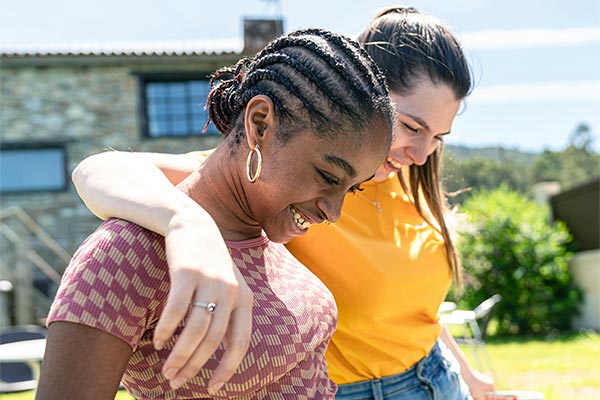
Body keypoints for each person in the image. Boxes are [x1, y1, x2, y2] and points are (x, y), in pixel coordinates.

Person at [71, 6, 496, 400]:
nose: (422, 154)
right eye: (411, 127)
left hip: (438, 380)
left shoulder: (400, 185)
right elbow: (98, 171)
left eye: (437, 138)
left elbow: (411, 313)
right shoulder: (291, 177)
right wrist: (187, 223)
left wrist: (473, 382)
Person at [37, 28, 395, 399]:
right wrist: (187, 225)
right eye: (327, 176)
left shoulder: (260, 230)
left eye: (351, 188)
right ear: (260, 124)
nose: (333, 212)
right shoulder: (128, 253)